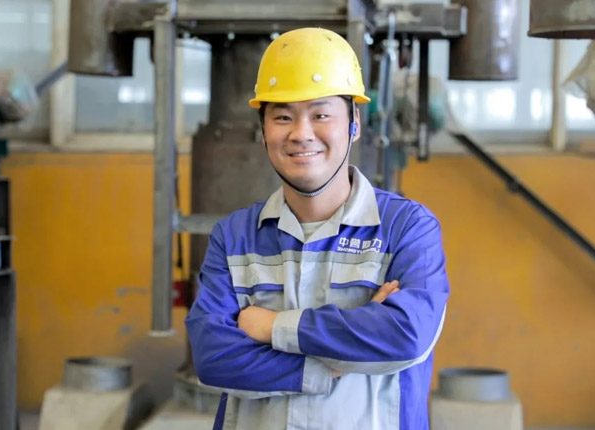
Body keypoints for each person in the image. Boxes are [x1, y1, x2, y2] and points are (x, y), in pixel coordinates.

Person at [186, 27, 449, 430]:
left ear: (354, 123)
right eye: (283, 117)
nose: (301, 133)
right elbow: (213, 358)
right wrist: (334, 364)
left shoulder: (408, 228)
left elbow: (406, 335)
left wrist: (272, 326)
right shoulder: (235, 236)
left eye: (321, 114)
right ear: (263, 130)